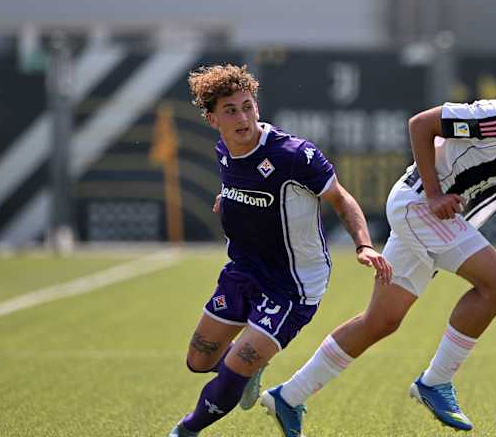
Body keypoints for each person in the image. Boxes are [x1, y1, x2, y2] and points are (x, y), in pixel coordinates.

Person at [259, 49, 496, 435]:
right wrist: (434, 194)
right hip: (418, 205)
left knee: (380, 321)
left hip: (439, 219)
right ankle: (435, 381)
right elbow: (421, 125)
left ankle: (287, 396)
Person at [168, 64, 392, 437]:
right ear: (212, 119)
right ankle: (244, 372)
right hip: (243, 271)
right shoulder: (225, 149)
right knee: (198, 359)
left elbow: (342, 199)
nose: (243, 117)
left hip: (292, 285)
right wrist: (228, 198)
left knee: (236, 365)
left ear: (257, 106)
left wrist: (363, 245)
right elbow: (245, 184)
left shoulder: (293, 154)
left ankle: (186, 430)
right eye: (231, 110)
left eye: (247, 106)